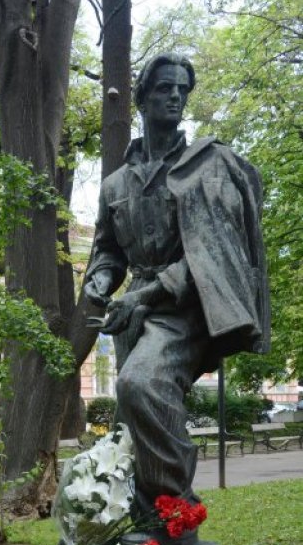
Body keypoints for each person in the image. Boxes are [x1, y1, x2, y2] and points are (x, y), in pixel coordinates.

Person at [83, 52, 269, 521]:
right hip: (132, 315)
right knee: (134, 418)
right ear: (143, 97)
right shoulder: (115, 184)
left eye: (182, 90)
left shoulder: (205, 167)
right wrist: (101, 279)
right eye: (165, 88)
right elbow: (108, 250)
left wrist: (145, 295)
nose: (175, 97)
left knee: (140, 384)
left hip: (185, 306)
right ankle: (143, 521)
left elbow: (213, 253)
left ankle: (178, 507)